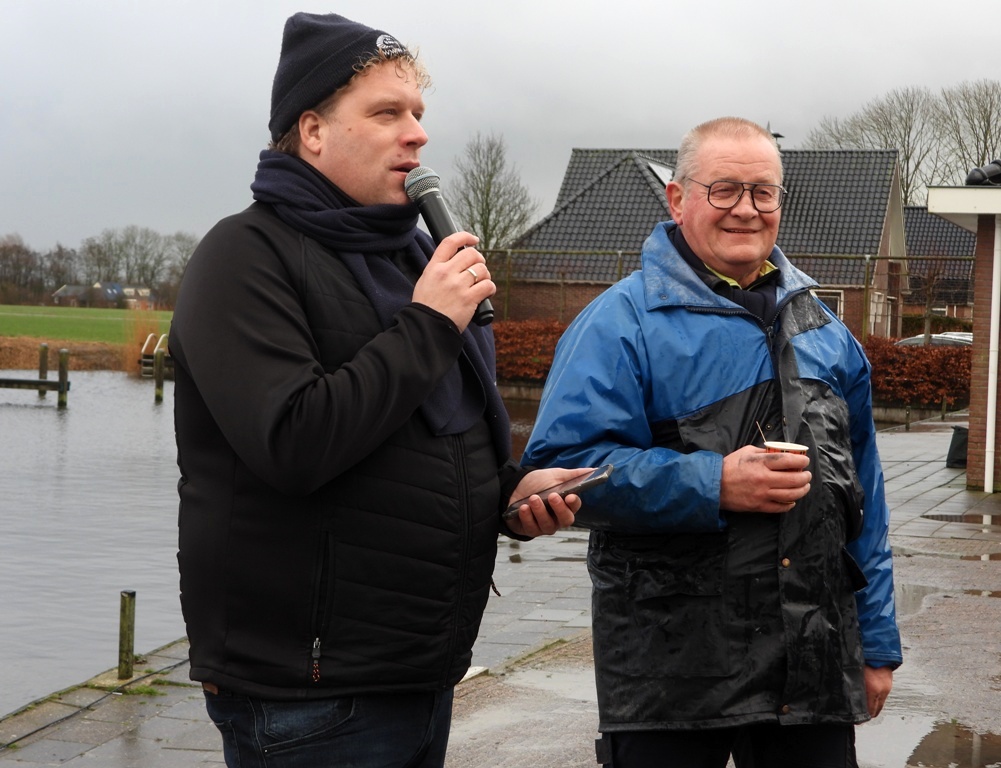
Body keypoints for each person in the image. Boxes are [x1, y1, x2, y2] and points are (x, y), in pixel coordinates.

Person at [169, 12, 583, 768]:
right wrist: (430, 323)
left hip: (420, 674)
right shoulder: (244, 256)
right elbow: (294, 442)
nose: (417, 134)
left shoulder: (412, 258)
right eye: (387, 113)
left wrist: (510, 494)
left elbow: (420, 444)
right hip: (306, 693)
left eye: (418, 113)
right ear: (313, 130)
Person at [521, 117, 902, 768]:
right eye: (723, 189)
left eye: (763, 192)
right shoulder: (618, 323)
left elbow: (862, 498)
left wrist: (877, 643)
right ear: (677, 199)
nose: (745, 209)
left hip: (810, 669)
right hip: (671, 673)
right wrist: (713, 483)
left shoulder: (827, 334)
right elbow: (562, 472)